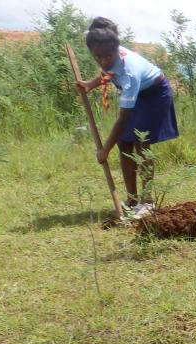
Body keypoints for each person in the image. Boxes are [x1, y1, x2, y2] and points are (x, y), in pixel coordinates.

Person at [75, 18, 178, 218]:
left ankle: (147, 202)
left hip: (155, 94)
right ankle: (132, 200)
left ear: (115, 49)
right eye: (98, 57)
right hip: (139, 93)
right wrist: (89, 84)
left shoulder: (130, 73)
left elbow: (122, 120)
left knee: (141, 142)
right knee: (124, 143)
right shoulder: (108, 51)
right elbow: (109, 71)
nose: (103, 60)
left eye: (107, 56)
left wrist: (105, 149)